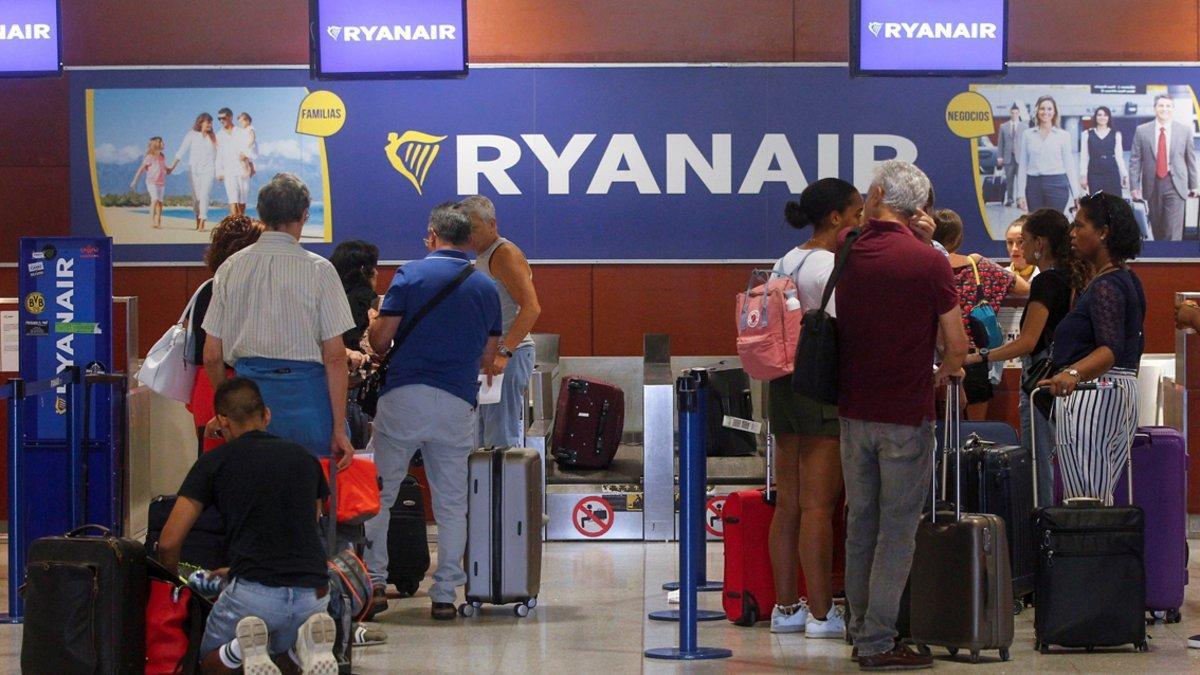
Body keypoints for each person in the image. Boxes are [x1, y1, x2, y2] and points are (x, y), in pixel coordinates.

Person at [836, 160, 968, 670]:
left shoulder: (847, 249)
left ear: (876, 195)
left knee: (861, 523)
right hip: (906, 413)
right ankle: (878, 639)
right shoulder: (929, 262)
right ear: (917, 210)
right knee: (897, 529)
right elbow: (955, 344)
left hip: (852, 410)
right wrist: (943, 372)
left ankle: (859, 627)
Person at [362, 204, 501, 622]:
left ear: (433, 235)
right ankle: (444, 595)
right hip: (457, 401)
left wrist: (374, 322)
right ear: (469, 240)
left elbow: (381, 342)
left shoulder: (409, 274)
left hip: (403, 398)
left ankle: (374, 583)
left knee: (381, 494)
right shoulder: (485, 288)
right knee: (452, 502)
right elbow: (488, 357)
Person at [157, 377, 338, 675]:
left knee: (208, 662)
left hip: (256, 594)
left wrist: (174, 587)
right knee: (280, 652)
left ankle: (239, 649)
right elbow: (304, 528)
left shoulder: (214, 462)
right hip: (315, 590)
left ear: (222, 422)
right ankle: (298, 648)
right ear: (266, 414)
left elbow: (168, 541)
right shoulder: (306, 459)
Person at [201, 173, 355, 468]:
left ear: (262, 214)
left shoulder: (229, 268)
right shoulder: (321, 271)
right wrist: (338, 427)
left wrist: (226, 411)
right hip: (308, 402)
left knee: (254, 492)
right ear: (304, 215)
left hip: (248, 402)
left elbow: (212, 356)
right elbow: (335, 358)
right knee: (309, 492)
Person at [766, 178, 862, 637]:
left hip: (782, 384)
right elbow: (852, 331)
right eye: (857, 212)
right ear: (836, 217)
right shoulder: (830, 266)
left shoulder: (784, 261)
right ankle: (823, 614)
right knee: (819, 508)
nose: (861, 221)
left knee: (789, 504)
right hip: (821, 385)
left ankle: (786, 609)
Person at [965, 209, 1085, 505]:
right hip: (1068, 377)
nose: (1022, 247)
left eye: (1026, 240)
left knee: (1039, 463)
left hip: (1040, 384)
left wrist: (981, 355)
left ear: (1040, 243)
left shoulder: (1046, 282)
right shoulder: (1073, 277)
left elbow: (1027, 342)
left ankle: (1041, 527)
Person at [1039, 192, 1146, 504]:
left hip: (1095, 395)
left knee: (1085, 499)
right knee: (1095, 495)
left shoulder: (1107, 286)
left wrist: (1072, 373)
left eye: (1079, 225)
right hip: (1115, 391)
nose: (1072, 234)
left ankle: (1092, 553)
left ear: (1103, 233)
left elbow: (1110, 349)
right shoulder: (1126, 279)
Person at [457, 195, 541, 447]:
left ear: (492, 224)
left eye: (473, 228)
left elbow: (531, 308)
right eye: (464, 230)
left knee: (500, 439)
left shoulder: (504, 254)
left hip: (508, 356)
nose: (468, 236)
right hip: (492, 358)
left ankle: (505, 486)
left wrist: (504, 352)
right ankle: (490, 486)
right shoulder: (483, 255)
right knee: (487, 438)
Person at [932, 209, 1023, 420]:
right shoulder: (977, 265)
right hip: (973, 356)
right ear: (959, 237)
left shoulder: (925, 265)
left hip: (936, 358)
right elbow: (1023, 287)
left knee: (940, 434)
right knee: (976, 432)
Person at [189, 215, 263, 455]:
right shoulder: (238, 289)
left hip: (204, 385)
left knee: (213, 464)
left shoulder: (205, 289)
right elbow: (213, 354)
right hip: (230, 382)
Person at [330, 240, 381, 449]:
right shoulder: (369, 302)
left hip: (331, 390)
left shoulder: (328, 298)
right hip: (363, 390)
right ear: (364, 269)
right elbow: (379, 346)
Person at [1129, 94, 1199, 241]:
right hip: (1152, 185)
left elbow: (1190, 160)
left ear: (1173, 109)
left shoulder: (1184, 131)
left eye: (1168, 106)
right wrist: (1134, 186)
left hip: (1176, 184)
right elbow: (1135, 160)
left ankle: (1173, 260)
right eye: (1161, 106)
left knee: (1172, 230)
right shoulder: (1142, 131)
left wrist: (1194, 186)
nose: (1164, 109)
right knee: (1158, 229)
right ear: (1155, 109)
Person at [1016, 96, 1082, 213]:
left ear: (1055, 112)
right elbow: (1023, 166)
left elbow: (1069, 166)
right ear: (1037, 111)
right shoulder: (1028, 135)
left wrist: (1076, 195)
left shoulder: (1064, 135)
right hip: (1033, 186)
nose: (1045, 112)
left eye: (1049, 109)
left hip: (1057, 185)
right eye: (1042, 108)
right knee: (1036, 224)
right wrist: (1020, 194)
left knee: (1054, 224)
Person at [170, 112, 218, 231]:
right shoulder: (191, 135)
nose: (210, 124)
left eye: (211, 122)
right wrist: (172, 166)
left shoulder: (213, 137)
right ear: (201, 122)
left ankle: (202, 222)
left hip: (209, 169)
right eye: (208, 122)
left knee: (204, 195)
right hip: (193, 170)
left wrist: (220, 171)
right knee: (196, 198)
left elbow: (219, 155)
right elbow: (181, 151)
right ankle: (197, 219)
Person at [1080, 106, 1129, 197]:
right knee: (1096, 204)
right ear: (1095, 117)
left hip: (1112, 173)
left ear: (1109, 117)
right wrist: (1083, 176)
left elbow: (1119, 157)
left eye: (1105, 115)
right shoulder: (1087, 134)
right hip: (1094, 173)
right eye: (1099, 115)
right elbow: (1084, 157)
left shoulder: (1116, 134)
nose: (1102, 117)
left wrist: (1125, 174)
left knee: (1114, 203)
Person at [216, 107, 256, 218]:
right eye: (219, 119)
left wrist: (252, 166)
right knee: (232, 198)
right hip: (228, 170)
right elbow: (218, 155)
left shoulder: (241, 132)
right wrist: (219, 171)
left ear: (230, 117)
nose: (221, 121)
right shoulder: (219, 135)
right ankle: (234, 223)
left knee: (242, 200)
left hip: (243, 169)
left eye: (223, 118)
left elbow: (249, 148)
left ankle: (241, 222)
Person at [130, 136, 170, 229]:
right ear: (156, 144)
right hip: (151, 182)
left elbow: (164, 168)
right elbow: (141, 169)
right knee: (155, 199)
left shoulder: (162, 157)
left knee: (160, 202)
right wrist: (134, 181)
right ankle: (152, 221)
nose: (164, 144)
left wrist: (170, 168)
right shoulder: (149, 157)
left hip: (161, 183)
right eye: (161, 142)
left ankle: (158, 221)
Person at [997, 103, 1023, 206]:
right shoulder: (1003, 127)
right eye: (1012, 113)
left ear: (1019, 113)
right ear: (1010, 113)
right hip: (1008, 158)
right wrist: (1000, 157)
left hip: (1021, 159)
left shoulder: (1024, 127)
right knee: (1009, 180)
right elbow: (1000, 143)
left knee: (1020, 181)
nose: (1014, 114)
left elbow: (1026, 144)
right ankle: (1010, 199)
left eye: (1016, 113)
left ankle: (1019, 200)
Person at [1005, 216, 1037, 282]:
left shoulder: (1044, 276)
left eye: (1020, 242)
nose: (1014, 249)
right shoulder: (1000, 276)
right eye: (1010, 242)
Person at [239, 112, 257, 177]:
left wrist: (251, 143)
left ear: (247, 121)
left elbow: (253, 136)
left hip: (250, 146)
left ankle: (247, 171)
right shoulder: (245, 130)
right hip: (248, 146)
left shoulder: (250, 128)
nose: (241, 124)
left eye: (242, 122)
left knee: (242, 158)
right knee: (249, 160)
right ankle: (252, 170)